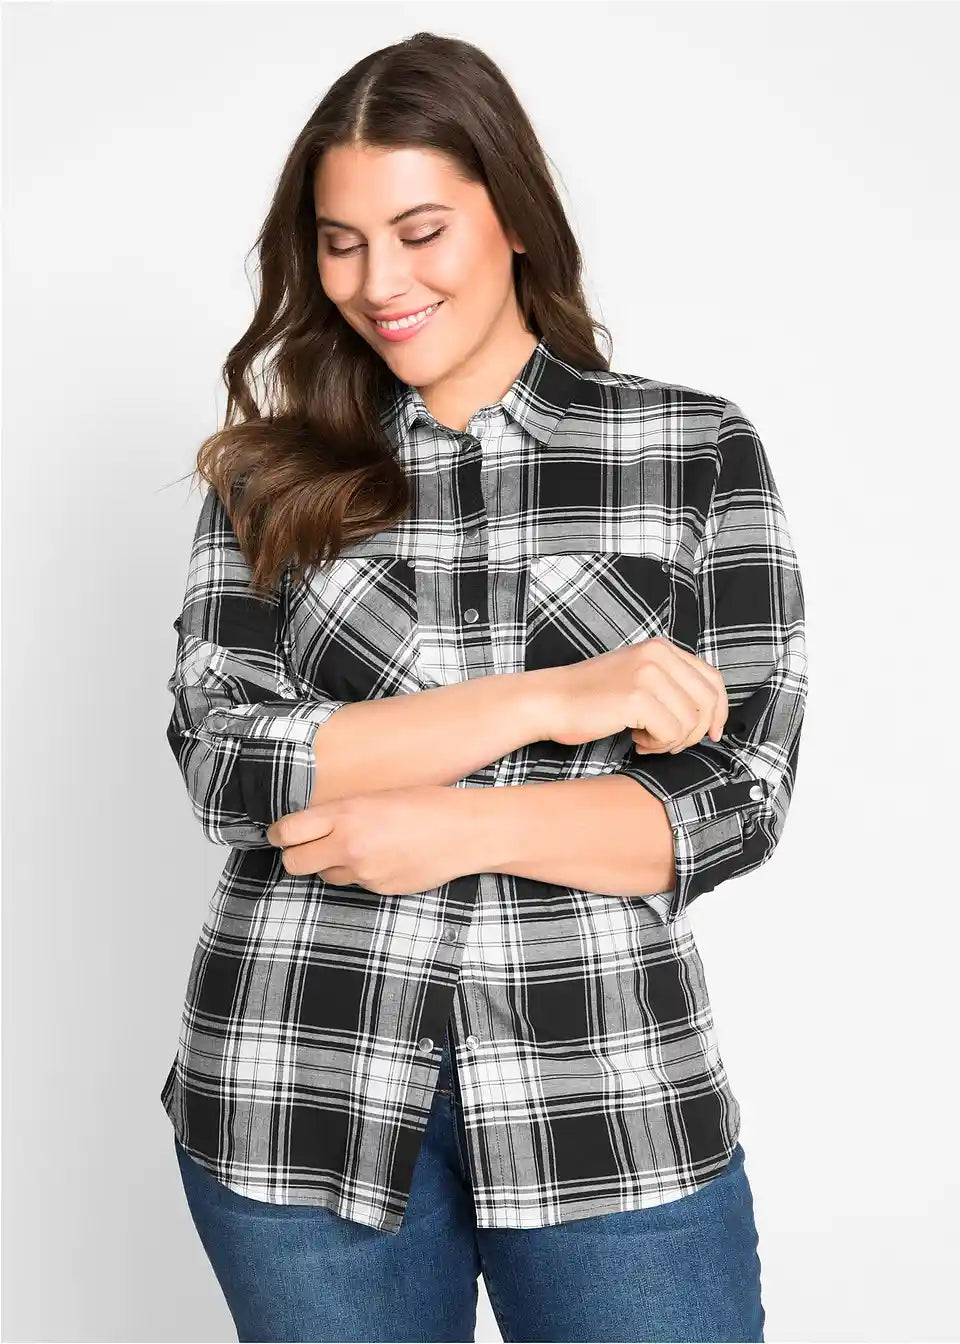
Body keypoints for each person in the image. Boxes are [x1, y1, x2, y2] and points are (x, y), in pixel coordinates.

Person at [160, 30, 807, 1344]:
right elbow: (230, 765)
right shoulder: (264, 477)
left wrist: (451, 825)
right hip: (294, 1094)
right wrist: (551, 702)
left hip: (607, 1094)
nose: (378, 282)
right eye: (340, 243)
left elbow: (733, 799)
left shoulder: (691, 449)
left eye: (420, 232)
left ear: (511, 215)